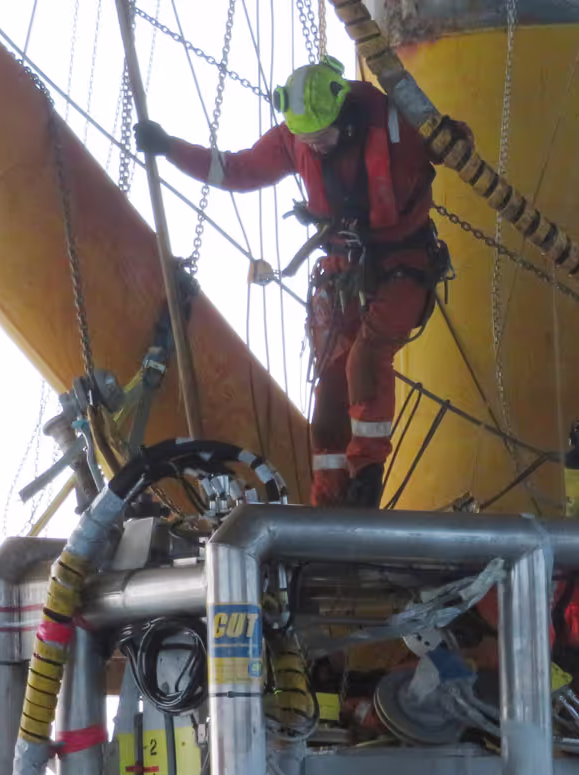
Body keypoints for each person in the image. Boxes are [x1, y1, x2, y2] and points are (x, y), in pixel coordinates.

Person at [134, 57, 446, 507]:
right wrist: (169, 147)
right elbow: (236, 170)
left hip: (404, 265)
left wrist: (450, 135)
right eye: (307, 139)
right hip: (344, 270)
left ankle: (367, 476)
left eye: (321, 136)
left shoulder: (395, 126)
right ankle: (329, 498)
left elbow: (449, 143)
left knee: (366, 358)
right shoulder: (295, 137)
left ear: (344, 114)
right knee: (330, 395)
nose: (314, 146)